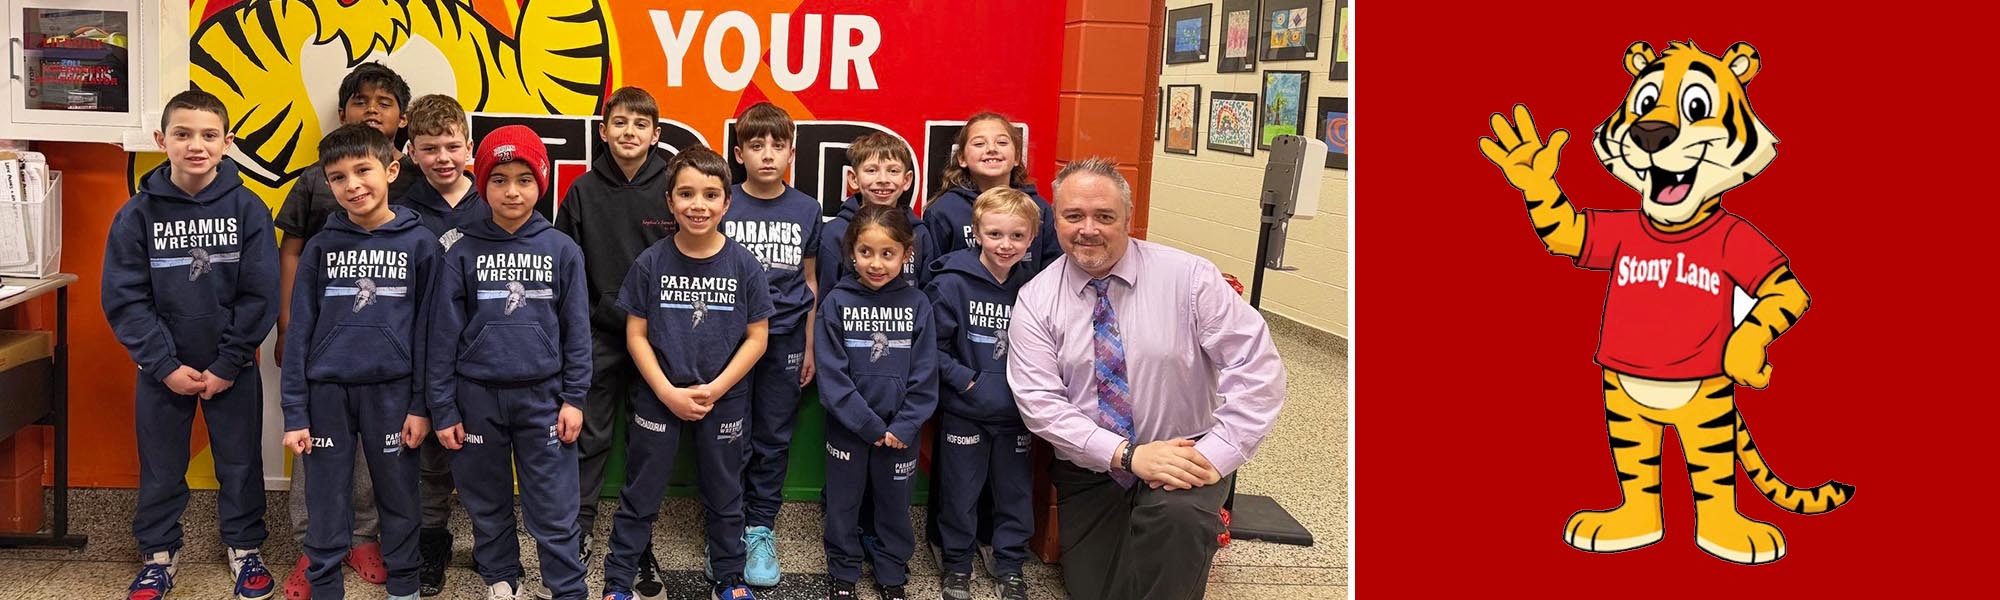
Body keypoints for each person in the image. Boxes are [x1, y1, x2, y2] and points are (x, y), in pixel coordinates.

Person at [1008, 157, 1287, 600]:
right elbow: (1040, 404)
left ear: (1128, 219)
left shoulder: (1190, 278)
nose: (1088, 229)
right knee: (1099, 590)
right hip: (1095, 468)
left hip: (1185, 456)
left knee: (1175, 534)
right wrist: (1128, 454)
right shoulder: (1036, 300)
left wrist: (1215, 454)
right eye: (1073, 216)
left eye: (1104, 216)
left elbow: (1257, 369)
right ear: (1054, 220)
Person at [102, 89, 279, 600]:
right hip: (162, 372)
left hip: (232, 370)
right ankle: (158, 556)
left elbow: (259, 293)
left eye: (208, 135)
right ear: (162, 140)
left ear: (227, 143)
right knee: (161, 466)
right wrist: (162, 364)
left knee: (241, 463)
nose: (195, 145)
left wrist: (227, 362)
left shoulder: (249, 209)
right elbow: (125, 298)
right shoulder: (136, 216)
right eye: (182, 134)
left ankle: (245, 550)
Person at [426, 126, 591, 600]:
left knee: (554, 504)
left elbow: (577, 332)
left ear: (542, 182)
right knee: (484, 497)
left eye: (523, 178)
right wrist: (444, 408)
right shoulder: (461, 252)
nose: (512, 190)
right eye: (498, 179)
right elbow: (443, 337)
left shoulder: (563, 250)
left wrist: (574, 398)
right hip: (475, 399)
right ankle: (501, 579)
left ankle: (565, 587)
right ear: (482, 184)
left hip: (544, 399)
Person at [275, 62, 420, 595]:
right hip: (327, 373)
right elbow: (293, 256)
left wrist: (425, 400)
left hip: (391, 379)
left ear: (392, 167)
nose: (352, 186)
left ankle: (378, 553)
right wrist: (287, 328)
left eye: (363, 173)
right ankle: (318, 559)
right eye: (340, 178)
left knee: (389, 481)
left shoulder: (418, 228)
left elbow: (428, 321)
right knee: (321, 480)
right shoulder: (318, 222)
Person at [601, 146, 770, 600]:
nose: (699, 205)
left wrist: (715, 388)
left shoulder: (744, 265)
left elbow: (758, 338)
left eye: (711, 195)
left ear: (727, 203)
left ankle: (730, 578)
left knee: (725, 491)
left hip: (724, 396)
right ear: (670, 201)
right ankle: (618, 580)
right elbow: (635, 335)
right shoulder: (652, 263)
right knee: (641, 492)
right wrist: (667, 391)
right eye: (687, 194)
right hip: (660, 394)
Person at [551, 87, 674, 595]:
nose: (629, 132)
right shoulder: (581, 191)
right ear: (603, 132)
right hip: (597, 335)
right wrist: (583, 323)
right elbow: (566, 268)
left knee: (648, 436)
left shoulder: (673, 185)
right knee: (589, 435)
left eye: (640, 125)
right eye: (619, 123)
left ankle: (637, 538)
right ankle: (578, 527)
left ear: (656, 134)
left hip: (659, 337)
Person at [720, 102, 823, 586]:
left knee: (772, 437)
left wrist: (810, 343)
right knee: (728, 436)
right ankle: (725, 529)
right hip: (731, 340)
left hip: (784, 339)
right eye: (756, 145)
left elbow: (810, 281)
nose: (766, 155)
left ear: (791, 153)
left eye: (777, 146)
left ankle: (759, 527)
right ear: (739, 153)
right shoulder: (723, 202)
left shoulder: (807, 208)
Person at [815, 203, 939, 600]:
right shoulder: (836, 302)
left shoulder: (918, 304)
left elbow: (925, 373)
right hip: (850, 430)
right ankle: (843, 572)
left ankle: (890, 572)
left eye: (888, 253)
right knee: (843, 505)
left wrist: (903, 426)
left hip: (901, 434)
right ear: (851, 252)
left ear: (907, 253)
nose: (876, 264)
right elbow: (832, 377)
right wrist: (867, 426)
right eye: (866, 252)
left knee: (894, 506)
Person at [925, 188, 1040, 600]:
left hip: (1017, 415)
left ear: (1031, 238)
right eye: (994, 234)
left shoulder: (1037, 288)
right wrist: (969, 381)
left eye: (1016, 236)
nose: (1004, 245)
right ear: (976, 234)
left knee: (1014, 493)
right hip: (965, 410)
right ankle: (957, 564)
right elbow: (932, 350)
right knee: (959, 491)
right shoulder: (951, 283)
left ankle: (1009, 564)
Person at [394, 92, 487, 596]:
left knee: (481, 455)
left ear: (470, 146)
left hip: (484, 360)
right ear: (411, 151)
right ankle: (432, 540)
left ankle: (492, 545)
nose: (443, 158)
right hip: (425, 357)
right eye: (429, 148)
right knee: (430, 459)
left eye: (452, 146)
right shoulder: (404, 214)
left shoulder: (495, 204)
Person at [920, 112, 1060, 275]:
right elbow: (931, 274)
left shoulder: (1039, 209)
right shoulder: (943, 210)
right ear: (962, 158)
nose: (992, 149)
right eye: (979, 144)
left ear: (1016, 157)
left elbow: (1053, 271)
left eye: (1001, 142)